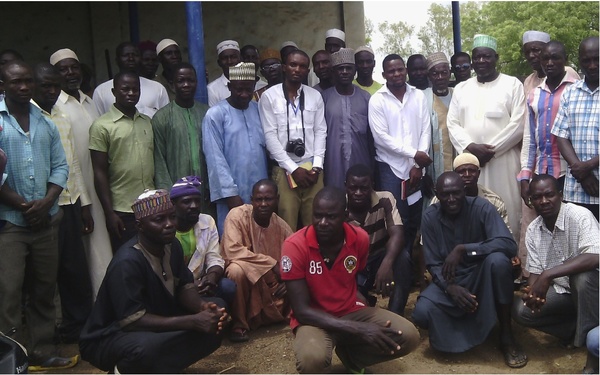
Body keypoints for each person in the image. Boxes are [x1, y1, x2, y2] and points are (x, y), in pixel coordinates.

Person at [79, 190, 228, 373]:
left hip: (154, 319)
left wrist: (202, 309)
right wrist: (192, 321)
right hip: (109, 336)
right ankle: (123, 370)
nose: (169, 225)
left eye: (172, 217)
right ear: (139, 226)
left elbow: (184, 286)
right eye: (159, 220)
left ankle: (163, 368)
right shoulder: (127, 262)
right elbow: (133, 321)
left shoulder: (172, 245)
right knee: (146, 349)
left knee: (217, 315)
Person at [281, 187, 419, 373]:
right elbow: (302, 311)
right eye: (317, 216)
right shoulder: (294, 246)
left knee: (408, 335)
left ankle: (353, 358)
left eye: (330, 217)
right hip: (313, 320)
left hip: (350, 311)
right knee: (311, 359)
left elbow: (351, 275)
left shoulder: (359, 238)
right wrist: (360, 329)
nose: (322, 223)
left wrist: (357, 307)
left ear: (345, 215)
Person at [0, 61, 75, 370]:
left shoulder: (44, 122)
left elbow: (61, 166)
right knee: (9, 293)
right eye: (16, 82)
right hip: (10, 224)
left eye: (28, 81)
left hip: (45, 220)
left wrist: (45, 202)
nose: (24, 87)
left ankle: (42, 351)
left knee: (44, 290)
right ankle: (9, 358)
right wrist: (23, 206)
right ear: (3, 84)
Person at [413, 172, 527, 368]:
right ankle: (464, 329)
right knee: (421, 313)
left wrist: (465, 249)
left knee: (499, 261)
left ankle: (507, 335)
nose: (451, 199)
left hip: (482, 276)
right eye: (445, 194)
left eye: (456, 193)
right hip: (450, 281)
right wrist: (451, 288)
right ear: (436, 194)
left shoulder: (482, 207)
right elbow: (433, 264)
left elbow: (508, 244)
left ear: (464, 191)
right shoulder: (430, 217)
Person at [32, 63, 94, 344]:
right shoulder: (28, 115)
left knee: (74, 269)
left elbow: (74, 166)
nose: (52, 91)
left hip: (69, 202)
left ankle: (77, 326)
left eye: (55, 86)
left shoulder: (61, 115)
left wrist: (84, 204)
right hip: (39, 207)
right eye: (45, 85)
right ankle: (43, 335)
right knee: (43, 274)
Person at [512, 174, 598, 373]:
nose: (544, 201)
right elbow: (534, 274)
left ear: (560, 195)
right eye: (537, 197)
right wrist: (532, 292)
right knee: (522, 310)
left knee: (582, 278)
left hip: (594, 289)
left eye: (549, 195)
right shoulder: (534, 230)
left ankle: (593, 357)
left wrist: (548, 274)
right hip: (564, 292)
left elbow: (596, 256)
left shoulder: (579, 215)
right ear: (531, 201)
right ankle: (578, 332)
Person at [447, 33, 526, 244]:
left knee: (508, 207)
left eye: (487, 56)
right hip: (469, 165)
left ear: (496, 57)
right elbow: (452, 124)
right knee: (470, 211)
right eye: (477, 57)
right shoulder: (461, 89)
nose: (481, 61)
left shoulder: (512, 85)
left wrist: (489, 151)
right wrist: (471, 149)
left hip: (503, 161)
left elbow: (518, 124)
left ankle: (511, 264)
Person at [369, 53, 432, 314]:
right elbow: (381, 137)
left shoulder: (418, 96)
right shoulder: (377, 100)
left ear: (405, 70)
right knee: (396, 225)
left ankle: (407, 281)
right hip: (390, 170)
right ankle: (397, 282)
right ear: (384, 75)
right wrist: (412, 155)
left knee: (413, 224)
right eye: (390, 71)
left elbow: (425, 129)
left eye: (399, 70)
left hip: (415, 171)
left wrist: (418, 165)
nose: (396, 74)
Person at [50, 48, 112, 294]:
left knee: (104, 246)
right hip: (77, 192)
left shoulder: (90, 101)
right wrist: (84, 200)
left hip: (100, 185)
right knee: (85, 252)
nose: (70, 73)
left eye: (74, 67)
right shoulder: (55, 106)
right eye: (63, 69)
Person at [517, 40, 580, 279]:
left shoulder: (576, 88)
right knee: (540, 229)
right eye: (546, 59)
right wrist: (525, 176)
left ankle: (571, 282)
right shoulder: (534, 93)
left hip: (569, 174)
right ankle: (541, 279)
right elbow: (529, 139)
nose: (550, 63)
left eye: (556, 58)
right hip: (541, 174)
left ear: (565, 59)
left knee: (567, 228)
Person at [259, 49, 327, 231]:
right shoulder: (269, 97)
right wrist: (293, 169)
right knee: (286, 227)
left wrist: (317, 166)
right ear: (284, 68)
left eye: (303, 66)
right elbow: (270, 136)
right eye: (293, 65)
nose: (297, 69)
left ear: (308, 70)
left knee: (316, 225)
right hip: (284, 171)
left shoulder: (315, 96)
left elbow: (321, 131)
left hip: (312, 169)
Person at [89, 71, 155, 252]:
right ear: (114, 91)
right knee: (127, 259)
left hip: (150, 206)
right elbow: (99, 171)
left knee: (151, 258)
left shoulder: (147, 122)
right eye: (125, 89)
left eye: (136, 89)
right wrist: (109, 213)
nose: (131, 93)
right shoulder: (101, 126)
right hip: (122, 209)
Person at [221, 179, 293, 342]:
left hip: (270, 287)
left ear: (277, 200)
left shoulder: (283, 227)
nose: (263, 204)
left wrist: (288, 280)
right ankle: (239, 324)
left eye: (268, 199)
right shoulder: (237, 216)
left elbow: (294, 261)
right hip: (244, 282)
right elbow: (232, 251)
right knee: (236, 269)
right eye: (259, 199)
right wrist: (271, 264)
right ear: (251, 200)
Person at [203, 62, 268, 234]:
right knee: (234, 241)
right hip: (232, 196)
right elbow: (215, 159)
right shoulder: (215, 115)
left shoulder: (258, 110)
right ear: (230, 86)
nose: (244, 94)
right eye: (239, 89)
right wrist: (231, 194)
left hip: (260, 195)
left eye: (249, 89)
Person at [152, 62, 212, 213]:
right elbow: (159, 160)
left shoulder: (208, 114)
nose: (186, 85)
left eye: (190, 80)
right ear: (172, 85)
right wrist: (168, 194)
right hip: (176, 194)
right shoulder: (162, 117)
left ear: (196, 83)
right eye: (181, 81)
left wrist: (212, 186)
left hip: (206, 193)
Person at [551, 36, 599, 221]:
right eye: (587, 60)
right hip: (577, 188)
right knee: (580, 245)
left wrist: (588, 166)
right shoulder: (570, 93)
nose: (593, 65)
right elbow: (561, 136)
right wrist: (582, 174)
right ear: (579, 61)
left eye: (597, 59)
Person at [345, 164, 405, 310]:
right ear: (345, 186)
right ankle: (365, 301)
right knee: (357, 304)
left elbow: (397, 234)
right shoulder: (338, 207)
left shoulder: (385, 199)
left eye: (364, 188)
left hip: (378, 257)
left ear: (372, 185)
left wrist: (387, 264)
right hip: (353, 264)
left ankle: (396, 312)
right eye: (353, 188)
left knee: (403, 258)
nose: (358, 193)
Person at [171, 176, 236, 306]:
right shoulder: (166, 229)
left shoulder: (207, 221)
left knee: (227, 287)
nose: (194, 206)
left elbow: (214, 258)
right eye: (187, 202)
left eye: (197, 201)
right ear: (173, 205)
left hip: (201, 284)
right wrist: (189, 284)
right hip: (174, 288)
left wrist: (211, 277)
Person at [322, 48, 373, 189]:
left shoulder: (366, 98)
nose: (344, 72)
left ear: (354, 71)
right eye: (340, 68)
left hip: (361, 160)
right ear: (333, 72)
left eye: (348, 68)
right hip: (332, 163)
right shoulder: (323, 98)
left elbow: (371, 136)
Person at [93, 42, 169, 118]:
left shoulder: (158, 88)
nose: (131, 58)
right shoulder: (101, 91)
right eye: (125, 55)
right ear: (117, 60)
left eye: (135, 55)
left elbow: (167, 119)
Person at [423, 51, 454, 183]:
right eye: (435, 73)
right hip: (433, 162)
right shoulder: (422, 98)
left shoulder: (458, 95)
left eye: (444, 72)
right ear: (429, 75)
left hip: (456, 157)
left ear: (450, 72)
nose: (440, 77)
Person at [207, 40, 241, 107]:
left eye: (233, 57)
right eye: (225, 58)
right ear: (219, 63)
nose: (229, 61)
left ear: (240, 60)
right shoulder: (213, 89)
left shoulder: (249, 83)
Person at [522, 30, 551, 96]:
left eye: (536, 50)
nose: (531, 56)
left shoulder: (565, 72)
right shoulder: (529, 81)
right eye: (527, 52)